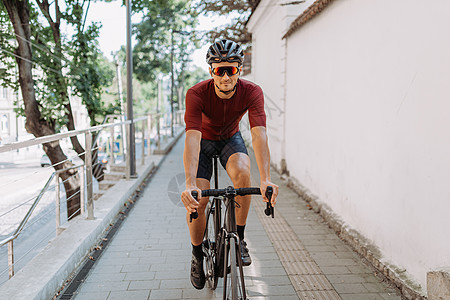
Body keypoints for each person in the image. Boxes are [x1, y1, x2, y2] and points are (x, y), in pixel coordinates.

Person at [181, 39, 279, 290]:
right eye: (219, 70)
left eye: (231, 70)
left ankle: (240, 238)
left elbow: (259, 134)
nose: (225, 76)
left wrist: (265, 178)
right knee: (199, 199)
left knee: (244, 175)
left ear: (240, 70)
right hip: (203, 141)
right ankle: (196, 254)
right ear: (211, 71)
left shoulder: (252, 91)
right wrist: (190, 183)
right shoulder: (196, 93)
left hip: (230, 139)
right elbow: (192, 138)